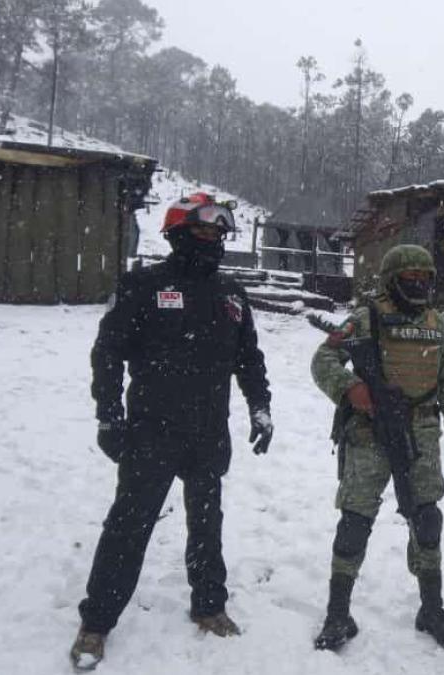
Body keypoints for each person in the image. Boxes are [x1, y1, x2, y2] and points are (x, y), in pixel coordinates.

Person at [70, 193, 274, 671]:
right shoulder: (144, 285)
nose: (212, 239)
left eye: (219, 233)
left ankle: (209, 605)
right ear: (178, 233)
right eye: (203, 231)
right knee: (129, 525)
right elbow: (108, 352)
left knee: (207, 522)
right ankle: (96, 622)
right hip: (150, 432)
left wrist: (260, 407)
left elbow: (249, 359)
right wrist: (108, 414)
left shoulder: (231, 295)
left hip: (209, 432)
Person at [310, 244, 444, 651]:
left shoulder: (439, 327)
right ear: (390, 280)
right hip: (368, 434)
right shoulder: (365, 320)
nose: (418, 285)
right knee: (354, 522)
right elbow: (324, 358)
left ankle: (431, 609)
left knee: (427, 521)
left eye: (424, 278)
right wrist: (352, 389)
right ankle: (337, 613)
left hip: (420, 434)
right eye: (409, 278)